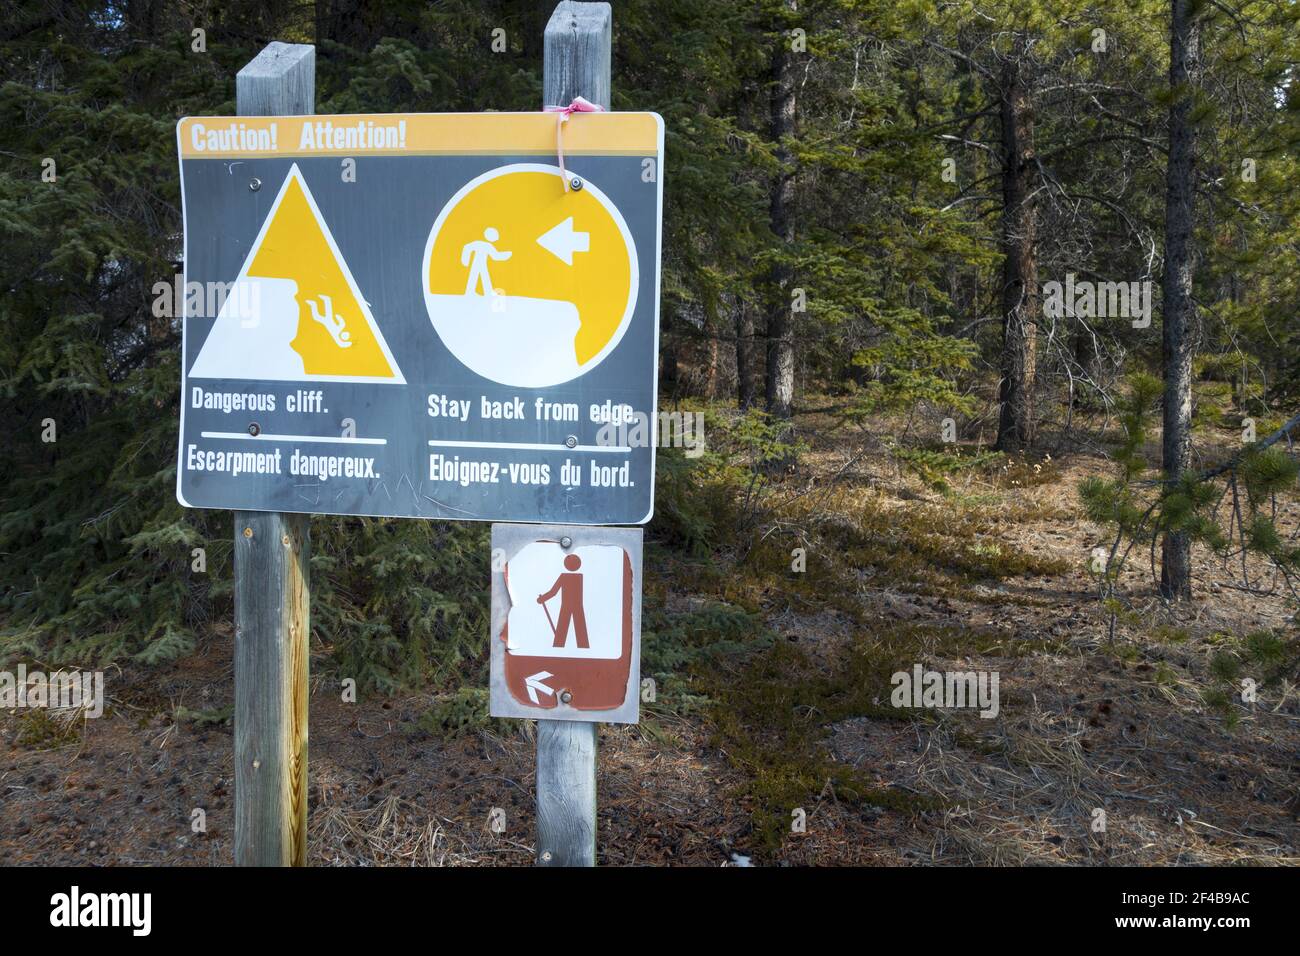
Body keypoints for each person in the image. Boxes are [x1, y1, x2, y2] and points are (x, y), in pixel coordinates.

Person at [536, 554, 589, 649]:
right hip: (577, 607)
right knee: (581, 634)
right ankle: (580, 648)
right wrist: (542, 599)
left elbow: (553, 592)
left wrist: (542, 599)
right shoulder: (579, 577)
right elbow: (553, 592)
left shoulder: (564, 577)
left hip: (567, 606)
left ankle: (559, 647)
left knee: (561, 634)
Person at [460, 227, 512, 296]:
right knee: (478, 276)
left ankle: (481, 292)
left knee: (481, 276)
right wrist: (465, 260)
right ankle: (472, 292)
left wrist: (506, 255)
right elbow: (496, 256)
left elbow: (495, 256)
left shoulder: (484, 244)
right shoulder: (485, 245)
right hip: (478, 263)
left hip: (480, 263)